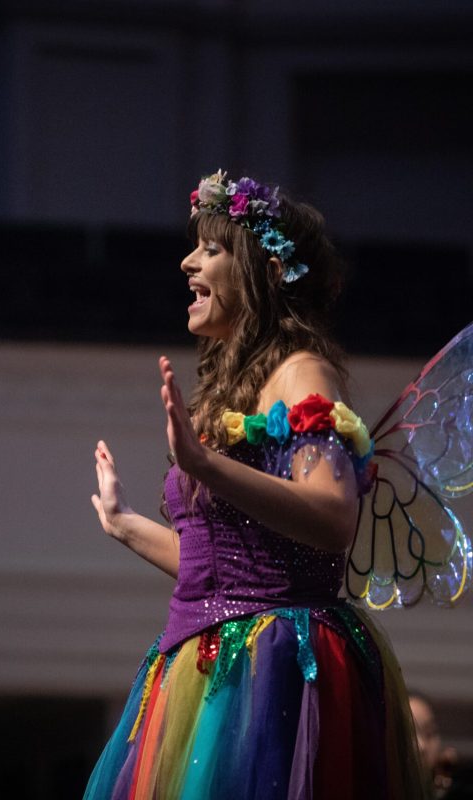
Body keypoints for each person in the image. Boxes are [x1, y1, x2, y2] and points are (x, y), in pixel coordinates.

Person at [84, 170, 429, 799]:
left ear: (267, 275)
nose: (188, 260)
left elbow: (331, 517)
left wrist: (207, 465)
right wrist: (125, 523)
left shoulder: (303, 373)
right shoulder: (235, 387)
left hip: (278, 663)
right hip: (208, 658)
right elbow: (220, 569)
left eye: (212, 249)